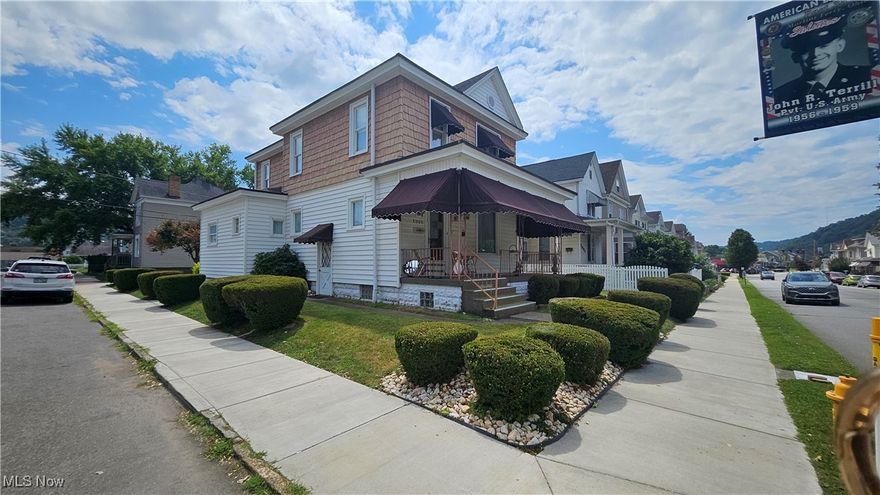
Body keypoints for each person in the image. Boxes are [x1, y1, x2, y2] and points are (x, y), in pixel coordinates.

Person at [774, 16, 872, 105]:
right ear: (795, 57)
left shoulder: (866, 76)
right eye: (806, 50)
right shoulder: (780, 95)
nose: (816, 54)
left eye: (823, 46)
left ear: (840, 45)